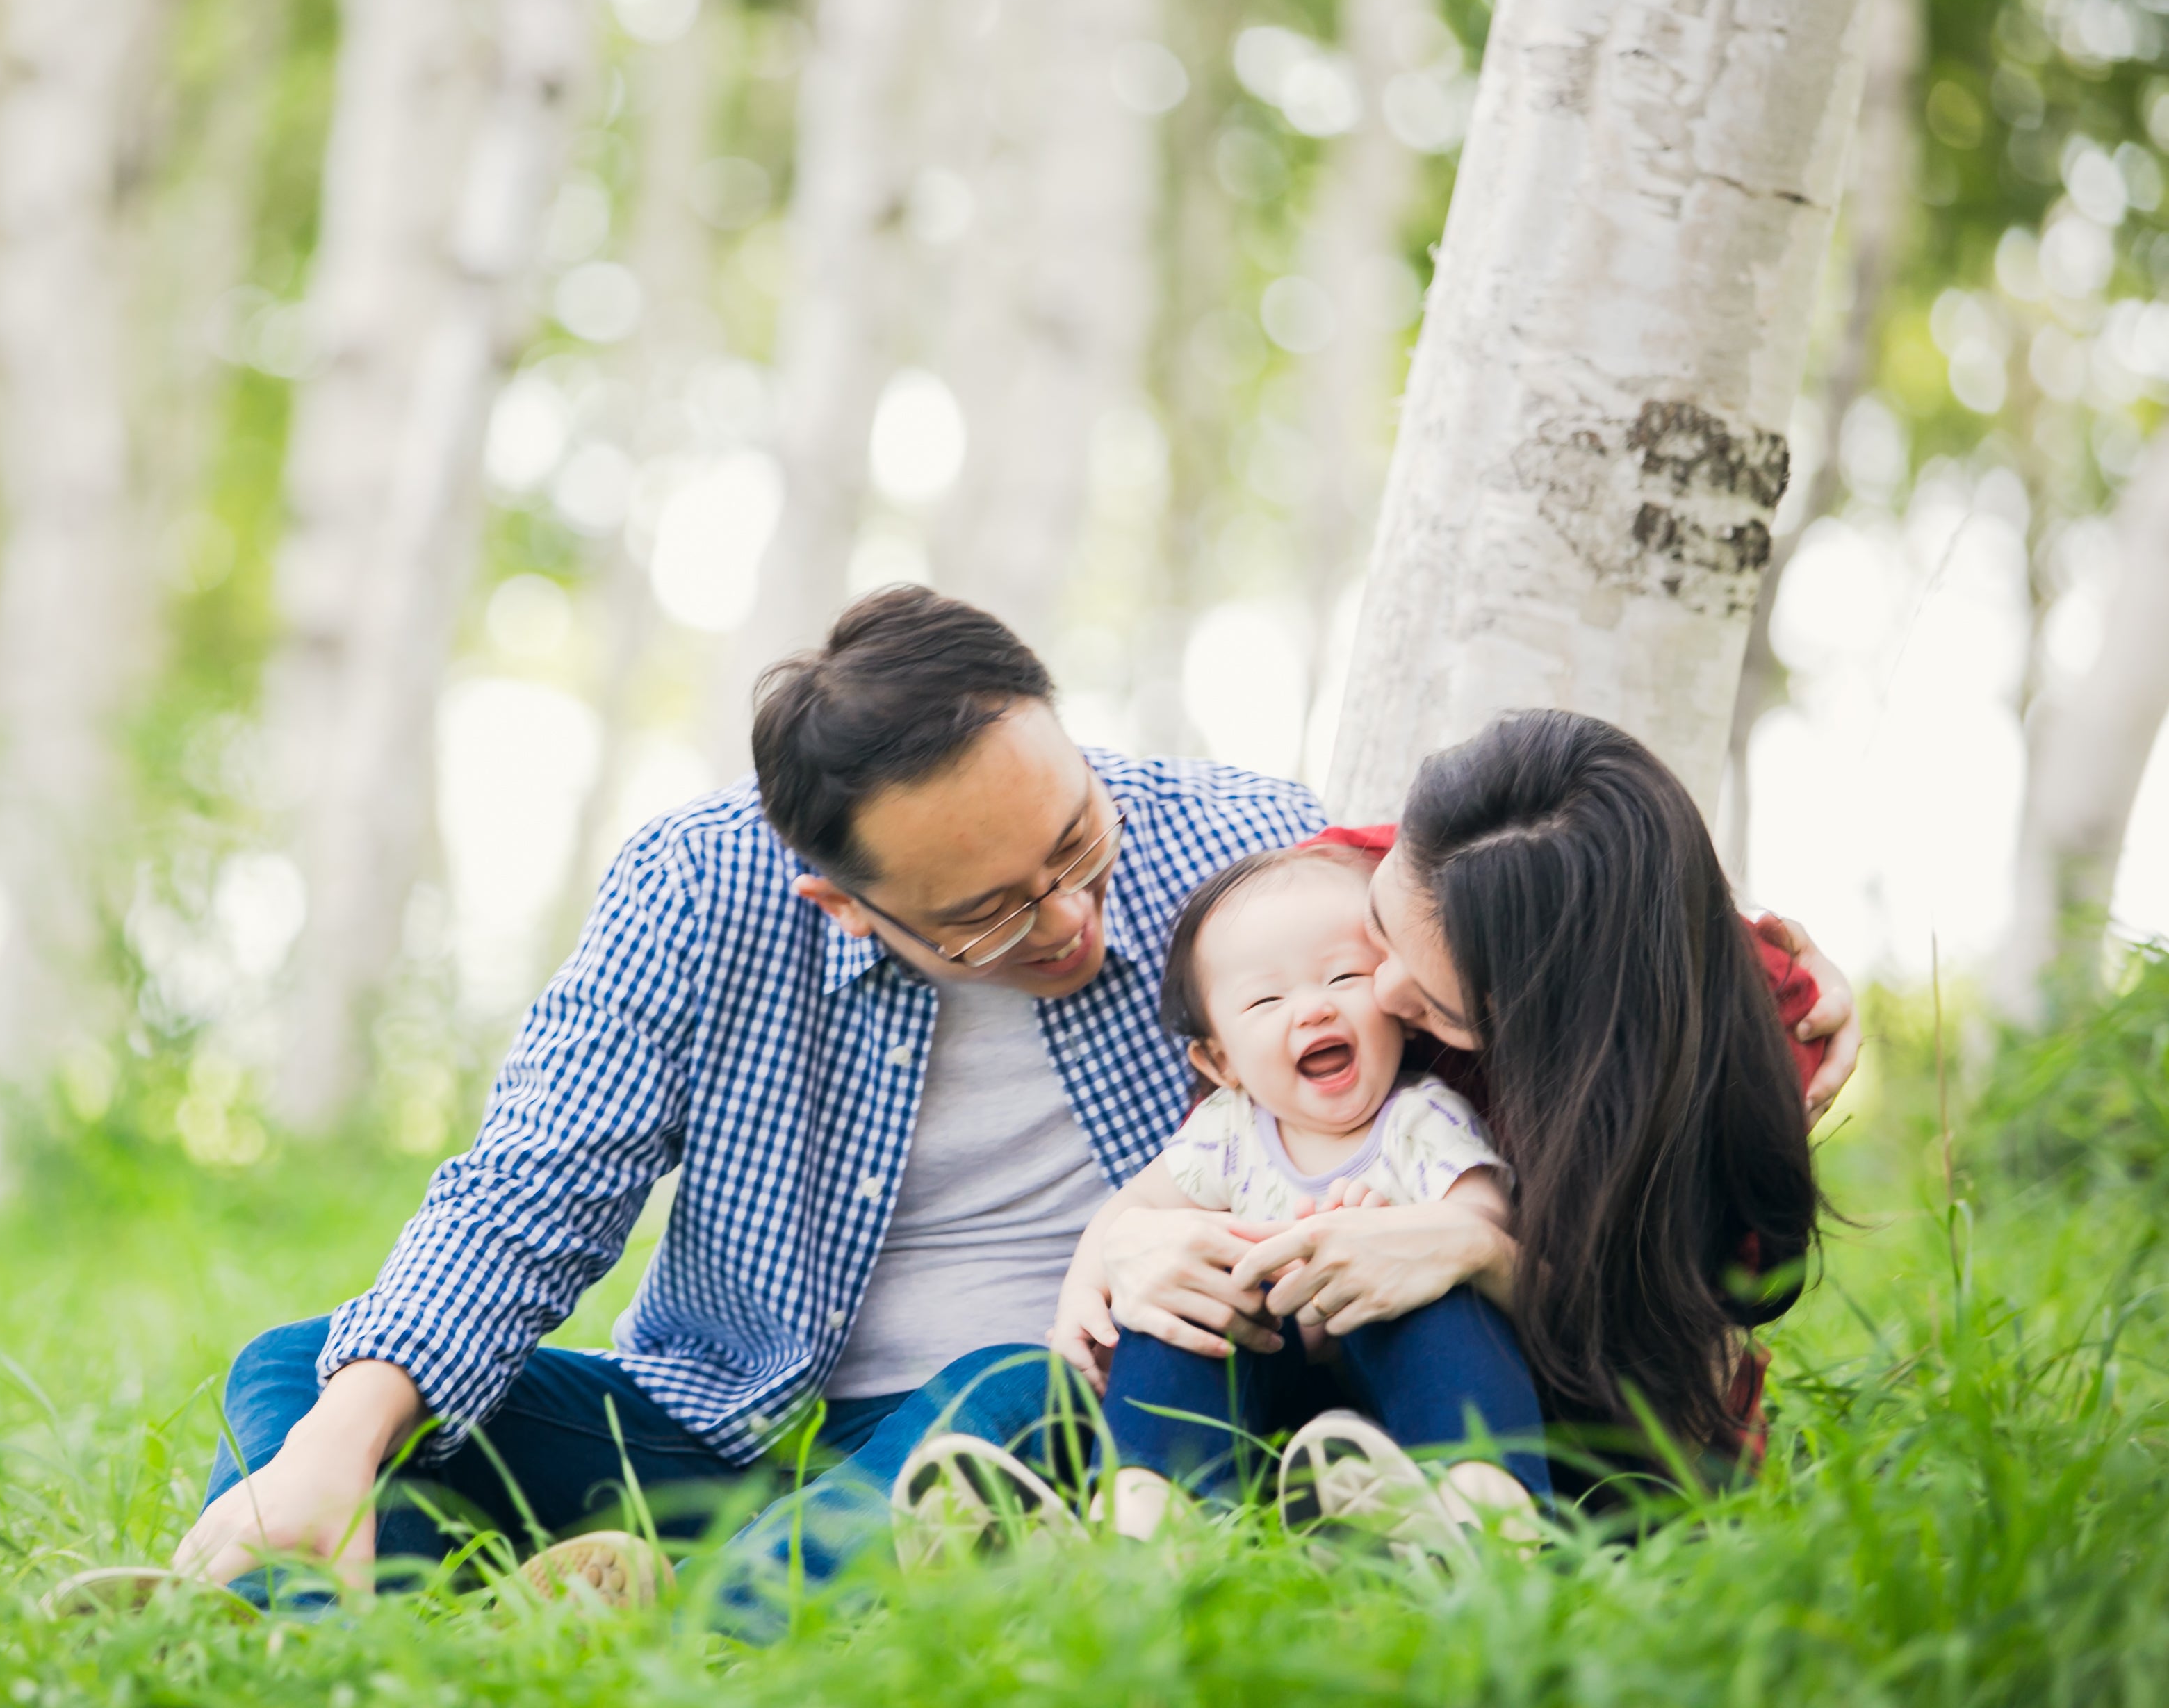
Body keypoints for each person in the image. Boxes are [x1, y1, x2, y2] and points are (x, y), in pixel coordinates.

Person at [168, 590, 1858, 1604]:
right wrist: (335, 1438)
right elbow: (528, 1187)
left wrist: (1768, 976)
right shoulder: (697, 896)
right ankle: (341, 1579)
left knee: (987, 1390)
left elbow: (1534, 905)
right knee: (306, 1370)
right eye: (986, 912)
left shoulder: (1221, 840)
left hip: (1029, 1407)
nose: (1072, 921)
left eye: (1071, 844)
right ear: (843, 900)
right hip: (734, 1414)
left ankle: (693, 1625)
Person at [1081, 711, 1824, 1512]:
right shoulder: (1341, 885)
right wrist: (1124, 1248)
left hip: (1571, 1409)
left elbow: (1676, 1371)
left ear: (1552, 1031)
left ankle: (1475, 1506)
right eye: (1378, 931)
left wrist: (1478, 1249)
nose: (1379, 994)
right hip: (1289, 1384)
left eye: (1438, 1006)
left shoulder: (1726, 1067)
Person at [1061, 844, 1541, 1547]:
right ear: (1220, 1060)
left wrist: (1404, 1238)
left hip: (1396, 1386)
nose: (1313, 1008)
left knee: (1449, 1305)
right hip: (1267, 1378)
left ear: (1400, 1010)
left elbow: (1480, 1221)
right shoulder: (1227, 1132)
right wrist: (1082, 1296)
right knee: (1179, 1315)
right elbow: (1131, 1214)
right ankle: (1148, 1512)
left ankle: (1482, 1502)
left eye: (1344, 977)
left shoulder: (1420, 1118)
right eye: (1266, 999)